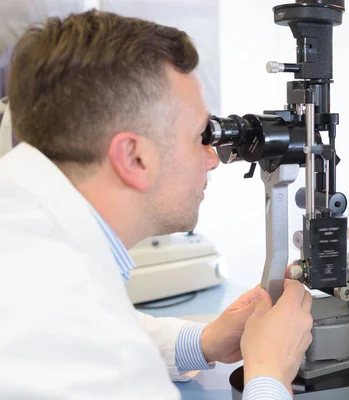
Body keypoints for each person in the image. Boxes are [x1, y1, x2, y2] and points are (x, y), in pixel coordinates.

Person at [0, 10, 312, 399]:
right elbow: (89, 342)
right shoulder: (74, 322)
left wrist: (202, 342)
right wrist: (269, 374)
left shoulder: (22, 221)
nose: (213, 158)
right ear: (134, 158)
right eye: (200, 136)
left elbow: (88, 333)